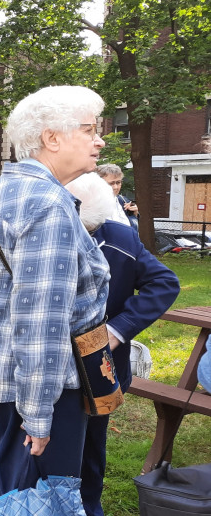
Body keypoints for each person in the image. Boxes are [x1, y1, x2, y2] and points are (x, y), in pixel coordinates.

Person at [0, 85, 112, 510]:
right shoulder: (47, 203)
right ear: (52, 138)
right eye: (89, 130)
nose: (99, 140)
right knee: (39, 504)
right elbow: (41, 321)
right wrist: (39, 416)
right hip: (34, 393)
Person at [65, 172, 180, 516]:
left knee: (91, 448)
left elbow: (164, 282)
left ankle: (89, 506)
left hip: (99, 370)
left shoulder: (121, 238)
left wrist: (118, 331)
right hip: (51, 364)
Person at [96, 163, 138, 229]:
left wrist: (134, 214)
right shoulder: (90, 205)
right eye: (111, 183)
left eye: (118, 182)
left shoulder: (124, 201)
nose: (115, 187)